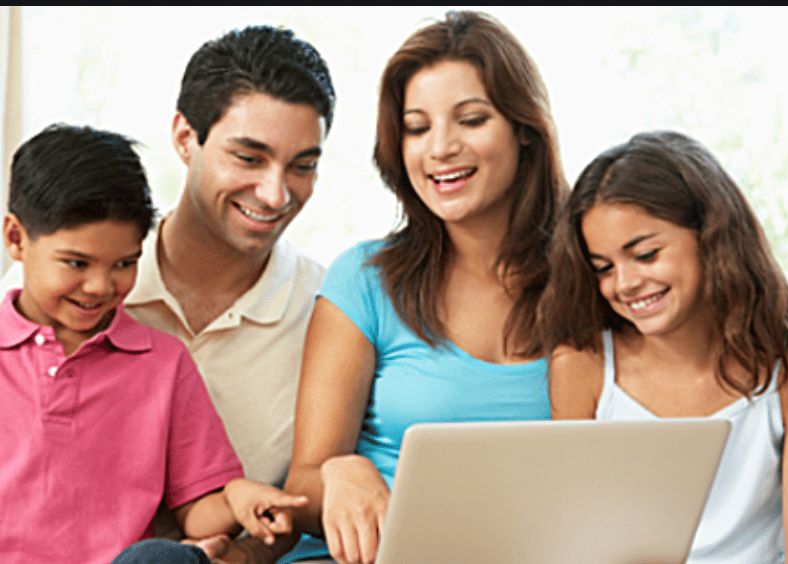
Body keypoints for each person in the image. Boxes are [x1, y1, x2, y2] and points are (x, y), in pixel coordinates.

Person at [0, 25, 335, 564]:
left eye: (302, 165)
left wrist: (245, 513)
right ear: (184, 137)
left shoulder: (326, 311)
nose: (276, 194)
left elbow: (206, 501)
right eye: (249, 157)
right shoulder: (43, 281)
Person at [269, 11, 569, 564]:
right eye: (417, 127)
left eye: (471, 120)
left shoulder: (591, 282)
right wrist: (339, 473)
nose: (440, 148)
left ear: (524, 129)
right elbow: (303, 484)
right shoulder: (365, 278)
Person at [538, 130, 788, 563]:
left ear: (710, 236)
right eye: (603, 267)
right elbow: (583, 542)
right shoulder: (582, 368)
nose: (623, 284)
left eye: (645, 255)